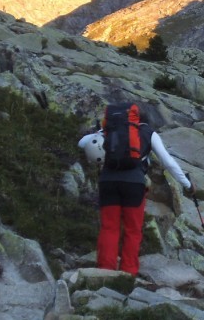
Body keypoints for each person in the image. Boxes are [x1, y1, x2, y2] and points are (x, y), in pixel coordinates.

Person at [78, 103, 194, 276]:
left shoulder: (111, 129)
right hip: (134, 183)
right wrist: (188, 185)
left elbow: (82, 143)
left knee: (109, 227)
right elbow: (168, 162)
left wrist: (99, 132)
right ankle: (128, 272)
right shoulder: (148, 132)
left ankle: (105, 270)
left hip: (108, 181)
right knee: (133, 230)